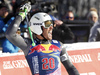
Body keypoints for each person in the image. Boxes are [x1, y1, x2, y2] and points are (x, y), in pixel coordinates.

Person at [5, 2, 79, 75]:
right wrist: (21, 15)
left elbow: (70, 68)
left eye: (52, 24)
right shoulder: (29, 45)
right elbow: (10, 34)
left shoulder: (59, 45)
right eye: (48, 24)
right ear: (38, 28)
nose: (51, 27)